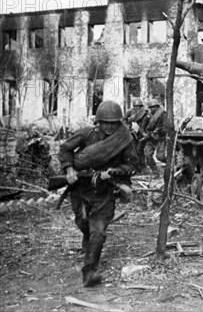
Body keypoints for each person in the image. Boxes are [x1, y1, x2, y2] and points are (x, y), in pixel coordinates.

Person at [57, 100, 138, 287]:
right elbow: (65, 149)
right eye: (105, 122)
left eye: (114, 123)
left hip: (105, 190)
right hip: (81, 188)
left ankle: (89, 272)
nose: (109, 126)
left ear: (119, 123)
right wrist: (69, 169)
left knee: (98, 230)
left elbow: (133, 164)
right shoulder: (86, 134)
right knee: (82, 223)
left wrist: (114, 171)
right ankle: (88, 239)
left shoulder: (124, 140)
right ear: (98, 122)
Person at [142, 99, 167, 181]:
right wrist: (144, 134)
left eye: (154, 107)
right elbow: (143, 127)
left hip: (160, 138)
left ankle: (170, 167)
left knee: (161, 157)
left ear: (158, 107)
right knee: (147, 155)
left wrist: (159, 130)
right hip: (151, 138)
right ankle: (155, 173)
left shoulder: (163, 115)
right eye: (151, 107)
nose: (153, 109)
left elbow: (166, 128)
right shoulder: (148, 116)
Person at [123, 97, 150, 170]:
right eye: (134, 106)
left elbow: (149, 123)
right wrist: (128, 126)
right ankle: (136, 167)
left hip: (143, 133)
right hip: (134, 133)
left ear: (141, 106)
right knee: (134, 150)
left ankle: (143, 166)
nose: (136, 108)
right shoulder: (130, 112)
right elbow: (124, 119)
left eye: (137, 106)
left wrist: (146, 132)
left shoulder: (145, 112)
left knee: (140, 150)